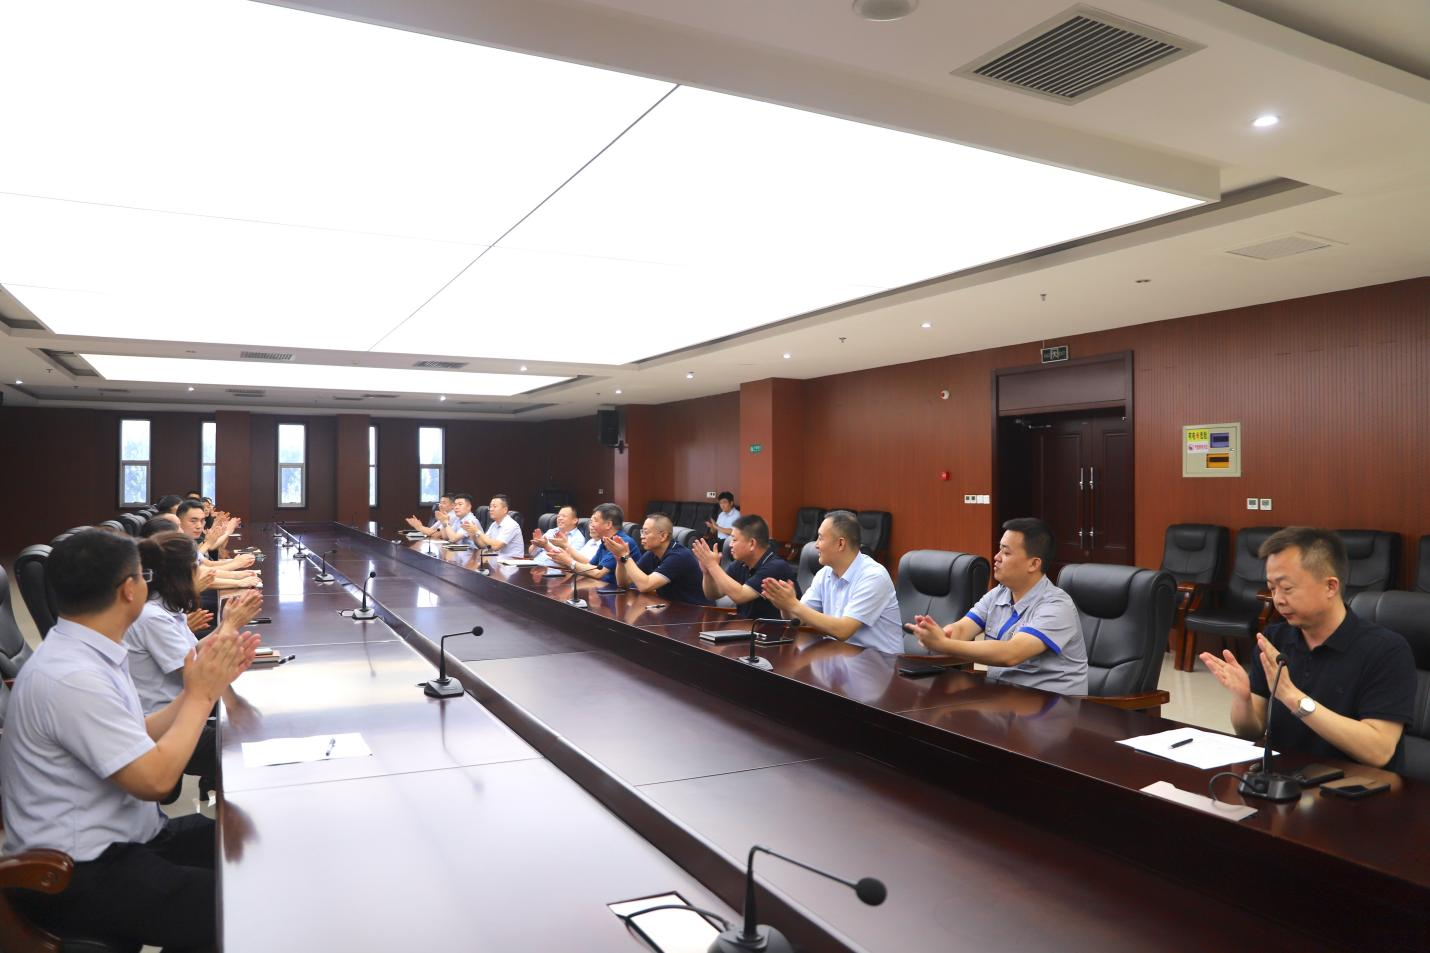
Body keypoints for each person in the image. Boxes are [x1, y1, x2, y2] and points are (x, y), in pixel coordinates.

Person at [0, 529, 259, 951]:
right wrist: (200, 696)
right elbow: (155, 781)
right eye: (143, 575)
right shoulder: (73, 676)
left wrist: (198, 683)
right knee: (242, 906)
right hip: (76, 873)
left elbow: (139, 730)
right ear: (128, 589)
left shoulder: (89, 651)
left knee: (249, 844)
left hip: (130, 841)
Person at [1200, 526, 1415, 771]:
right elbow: (1251, 730)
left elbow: (1379, 751)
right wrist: (1243, 700)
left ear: (1330, 587)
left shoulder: (1386, 650)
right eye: (1272, 588)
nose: (1278, 599)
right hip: (1283, 782)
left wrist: (1293, 697)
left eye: (1287, 588)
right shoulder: (1274, 639)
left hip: (1355, 788)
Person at [123, 532, 263, 796]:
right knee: (247, 745)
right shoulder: (153, 617)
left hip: (182, 710)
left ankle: (214, 787)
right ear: (180, 574)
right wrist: (230, 626)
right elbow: (197, 673)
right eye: (197, 567)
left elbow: (193, 651)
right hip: (168, 724)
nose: (205, 573)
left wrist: (226, 624)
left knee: (249, 725)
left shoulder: (165, 608)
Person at [907, 517, 1089, 695]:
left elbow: (1012, 653)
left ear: (1034, 564)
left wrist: (945, 644)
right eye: (999, 550)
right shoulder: (998, 593)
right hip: (1005, 697)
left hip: (1051, 705)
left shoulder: (1057, 606)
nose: (996, 557)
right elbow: (962, 629)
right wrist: (938, 634)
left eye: (1006, 553)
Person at [762, 510, 902, 654]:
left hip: (880, 662)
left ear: (840, 544)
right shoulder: (825, 574)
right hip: (839, 655)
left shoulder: (873, 576)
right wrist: (785, 605)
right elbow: (799, 620)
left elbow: (843, 630)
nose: (816, 545)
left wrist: (793, 604)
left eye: (820, 538)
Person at [692, 514, 797, 618]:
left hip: (776, 628)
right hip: (747, 626)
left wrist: (712, 566)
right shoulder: (741, 564)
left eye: (734, 540)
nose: (730, 545)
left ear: (752, 543)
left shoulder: (775, 566)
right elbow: (713, 594)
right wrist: (707, 572)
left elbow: (740, 595)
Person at [609, 513, 709, 605]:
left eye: (646, 532)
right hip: (671, 607)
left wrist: (625, 555)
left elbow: (645, 586)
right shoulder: (651, 554)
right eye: (641, 532)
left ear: (663, 536)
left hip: (697, 610)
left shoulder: (679, 556)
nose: (641, 536)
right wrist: (620, 560)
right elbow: (623, 583)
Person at [547, 503, 636, 583]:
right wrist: (565, 560)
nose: (591, 525)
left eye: (595, 520)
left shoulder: (621, 542)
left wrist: (568, 561)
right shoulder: (605, 541)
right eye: (591, 521)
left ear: (608, 525)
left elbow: (598, 573)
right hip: (604, 588)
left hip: (624, 592)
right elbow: (590, 566)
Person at [467, 494, 524, 559]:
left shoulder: (511, 524)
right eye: (490, 507)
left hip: (511, 562)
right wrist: (473, 535)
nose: (491, 509)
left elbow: (496, 546)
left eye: (494, 506)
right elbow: (483, 545)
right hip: (497, 559)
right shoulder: (494, 524)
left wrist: (477, 531)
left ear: (505, 509)